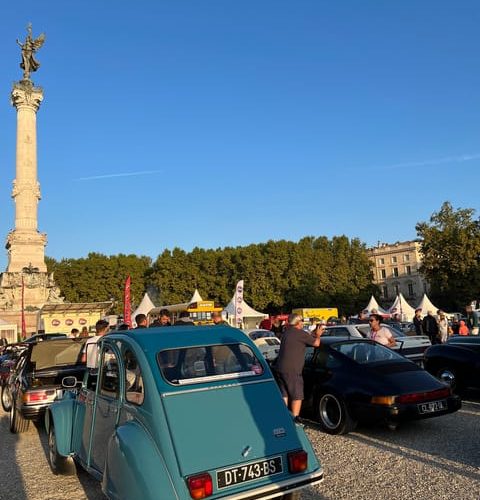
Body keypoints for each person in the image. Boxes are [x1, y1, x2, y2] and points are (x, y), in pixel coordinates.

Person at [274, 313, 324, 423]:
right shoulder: (300, 333)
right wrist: (318, 335)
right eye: (301, 321)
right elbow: (316, 344)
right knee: (297, 395)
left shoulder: (286, 332)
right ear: (298, 322)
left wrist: (312, 333)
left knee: (284, 393)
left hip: (280, 367)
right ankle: (295, 419)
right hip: (293, 370)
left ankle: (283, 417)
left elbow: (304, 338)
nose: (302, 323)